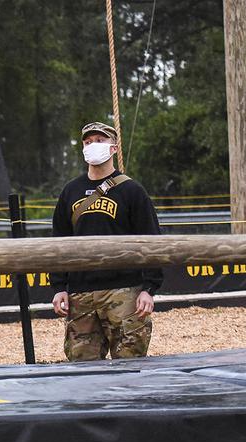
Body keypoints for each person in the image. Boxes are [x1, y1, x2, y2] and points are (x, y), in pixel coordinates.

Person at [50, 121, 163, 361]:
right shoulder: (70, 191)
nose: (93, 146)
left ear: (113, 148)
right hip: (80, 294)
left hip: (124, 291)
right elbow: (59, 242)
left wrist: (149, 289)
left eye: (99, 141)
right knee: (82, 368)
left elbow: (151, 239)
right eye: (88, 142)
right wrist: (59, 287)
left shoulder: (132, 190)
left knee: (130, 364)